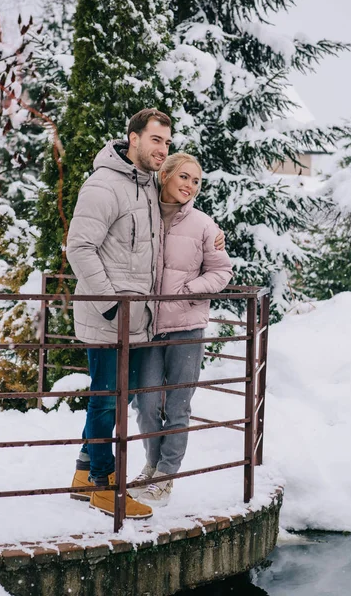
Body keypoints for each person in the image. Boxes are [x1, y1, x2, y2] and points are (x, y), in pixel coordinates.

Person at [66, 109, 225, 519]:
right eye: (156, 140)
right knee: (106, 401)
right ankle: (102, 484)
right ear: (132, 138)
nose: (162, 149)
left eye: (167, 142)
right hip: (110, 320)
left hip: (138, 323)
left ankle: (85, 472)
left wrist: (213, 232)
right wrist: (111, 306)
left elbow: (177, 215)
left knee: (120, 397)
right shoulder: (104, 185)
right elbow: (79, 248)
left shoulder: (145, 187)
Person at [130, 153, 233, 506]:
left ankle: (165, 476)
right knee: (145, 404)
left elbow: (222, 273)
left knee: (177, 405)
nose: (190, 186)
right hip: (148, 328)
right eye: (184, 177)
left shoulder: (205, 225)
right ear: (165, 175)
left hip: (186, 327)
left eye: (196, 181)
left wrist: (189, 290)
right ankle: (151, 464)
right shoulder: (145, 215)